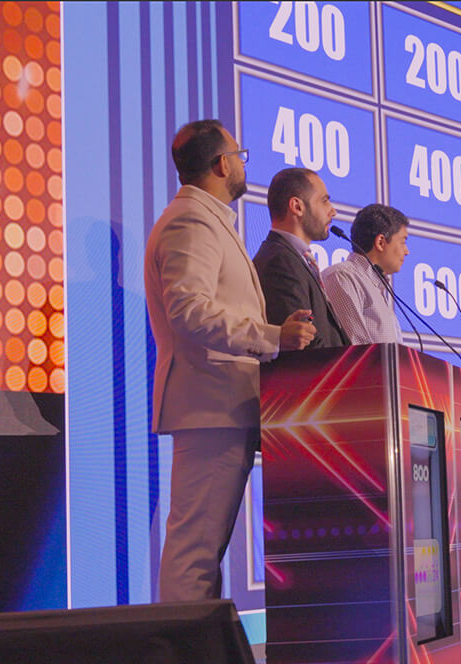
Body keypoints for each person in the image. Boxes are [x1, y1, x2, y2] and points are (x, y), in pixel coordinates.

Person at [145, 119, 315, 601]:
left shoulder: (210, 219)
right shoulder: (191, 221)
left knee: (203, 549)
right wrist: (272, 337)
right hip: (209, 406)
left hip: (221, 406)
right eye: (239, 155)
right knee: (195, 550)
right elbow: (189, 311)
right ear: (222, 164)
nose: (242, 163)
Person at [253, 168, 349, 349]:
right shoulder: (279, 261)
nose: (333, 211)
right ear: (297, 207)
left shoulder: (293, 258)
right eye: (324, 201)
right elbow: (303, 344)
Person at [321, 203, 411, 345]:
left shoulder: (376, 286)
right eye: (403, 242)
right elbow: (359, 351)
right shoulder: (342, 277)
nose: (407, 251)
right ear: (381, 242)